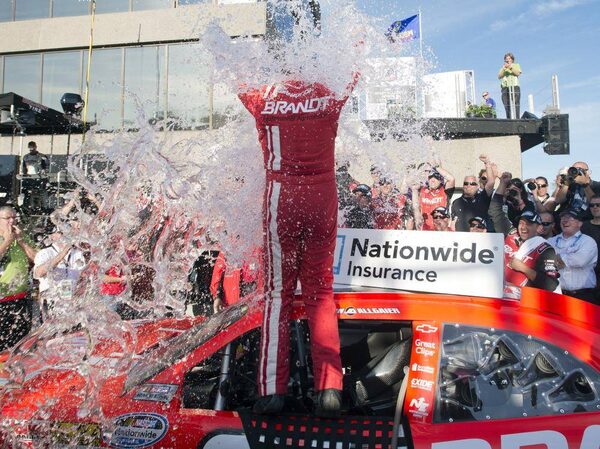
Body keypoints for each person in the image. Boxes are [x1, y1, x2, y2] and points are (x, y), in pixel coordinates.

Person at [238, 71, 358, 416]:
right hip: (323, 196)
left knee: (278, 294)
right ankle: (330, 389)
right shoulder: (328, 91)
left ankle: (271, 391)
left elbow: (232, 74)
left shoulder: (265, 96)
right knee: (321, 292)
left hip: (283, 196)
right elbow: (354, 68)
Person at [489, 173, 560, 298]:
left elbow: (551, 284)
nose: (523, 227)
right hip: (501, 296)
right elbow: (494, 210)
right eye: (521, 223)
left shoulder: (544, 248)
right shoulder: (511, 233)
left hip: (526, 301)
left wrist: (523, 268)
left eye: (529, 224)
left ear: (539, 228)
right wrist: (503, 184)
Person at [0, 206, 37, 351]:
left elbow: (37, 259)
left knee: (20, 344)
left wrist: (20, 240)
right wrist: (7, 241)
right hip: (2, 299)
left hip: (21, 298)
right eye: (7, 218)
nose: (12, 221)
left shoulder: (22, 236)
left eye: (14, 218)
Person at [33, 224, 87, 320]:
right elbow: (39, 273)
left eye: (66, 231)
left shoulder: (77, 253)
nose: (63, 234)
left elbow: (83, 276)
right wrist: (62, 253)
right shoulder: (45, 253)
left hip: (72, 303)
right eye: (60, 232)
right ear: (51, 236)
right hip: (52, 302)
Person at [548, 208, 598, 304]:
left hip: (582, 296)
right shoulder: (551, 241)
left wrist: (555, 259)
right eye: (563, 217)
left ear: (580, 223)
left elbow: (579, 261)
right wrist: (563, 259)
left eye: (570, 218)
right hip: (558, 295)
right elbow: (544, 262)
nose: (565, 220)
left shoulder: (588, 241)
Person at [451, 156, 495, 232]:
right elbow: (452, 224)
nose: (468, 185)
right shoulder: (456, 202)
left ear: (477, 186)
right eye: (466, 183)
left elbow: (491, 182)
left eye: (472, 184)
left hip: (479, 237)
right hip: (461, 238)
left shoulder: (483, 198)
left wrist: (487, 163)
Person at [419, 163, 455, 230]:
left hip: (440, 229)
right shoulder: (421, 190)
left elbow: (451, 179)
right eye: (430, 177)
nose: (433, 180)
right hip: (424, 230)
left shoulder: (445, 190)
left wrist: (436, 166)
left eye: (436, 178)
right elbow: (404, 189)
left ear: (440, 180)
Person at [581, 195, 600, 300]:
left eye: (598, 205)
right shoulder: (583, 227)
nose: (595, 207)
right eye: (592, 205)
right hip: (587, 276)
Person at [498, 52, 522, 119]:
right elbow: (499, 76)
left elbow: (517, 73)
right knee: (506, 104)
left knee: (516, 103)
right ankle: (509, 118)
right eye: (506, 59)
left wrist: (510, 67)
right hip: (505, 87)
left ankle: (517, 118)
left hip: (514, 86)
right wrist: (504, 68)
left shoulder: (516, 65)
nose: (507, 60)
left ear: (512, 59)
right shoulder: (503, 68)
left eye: (509, 58)